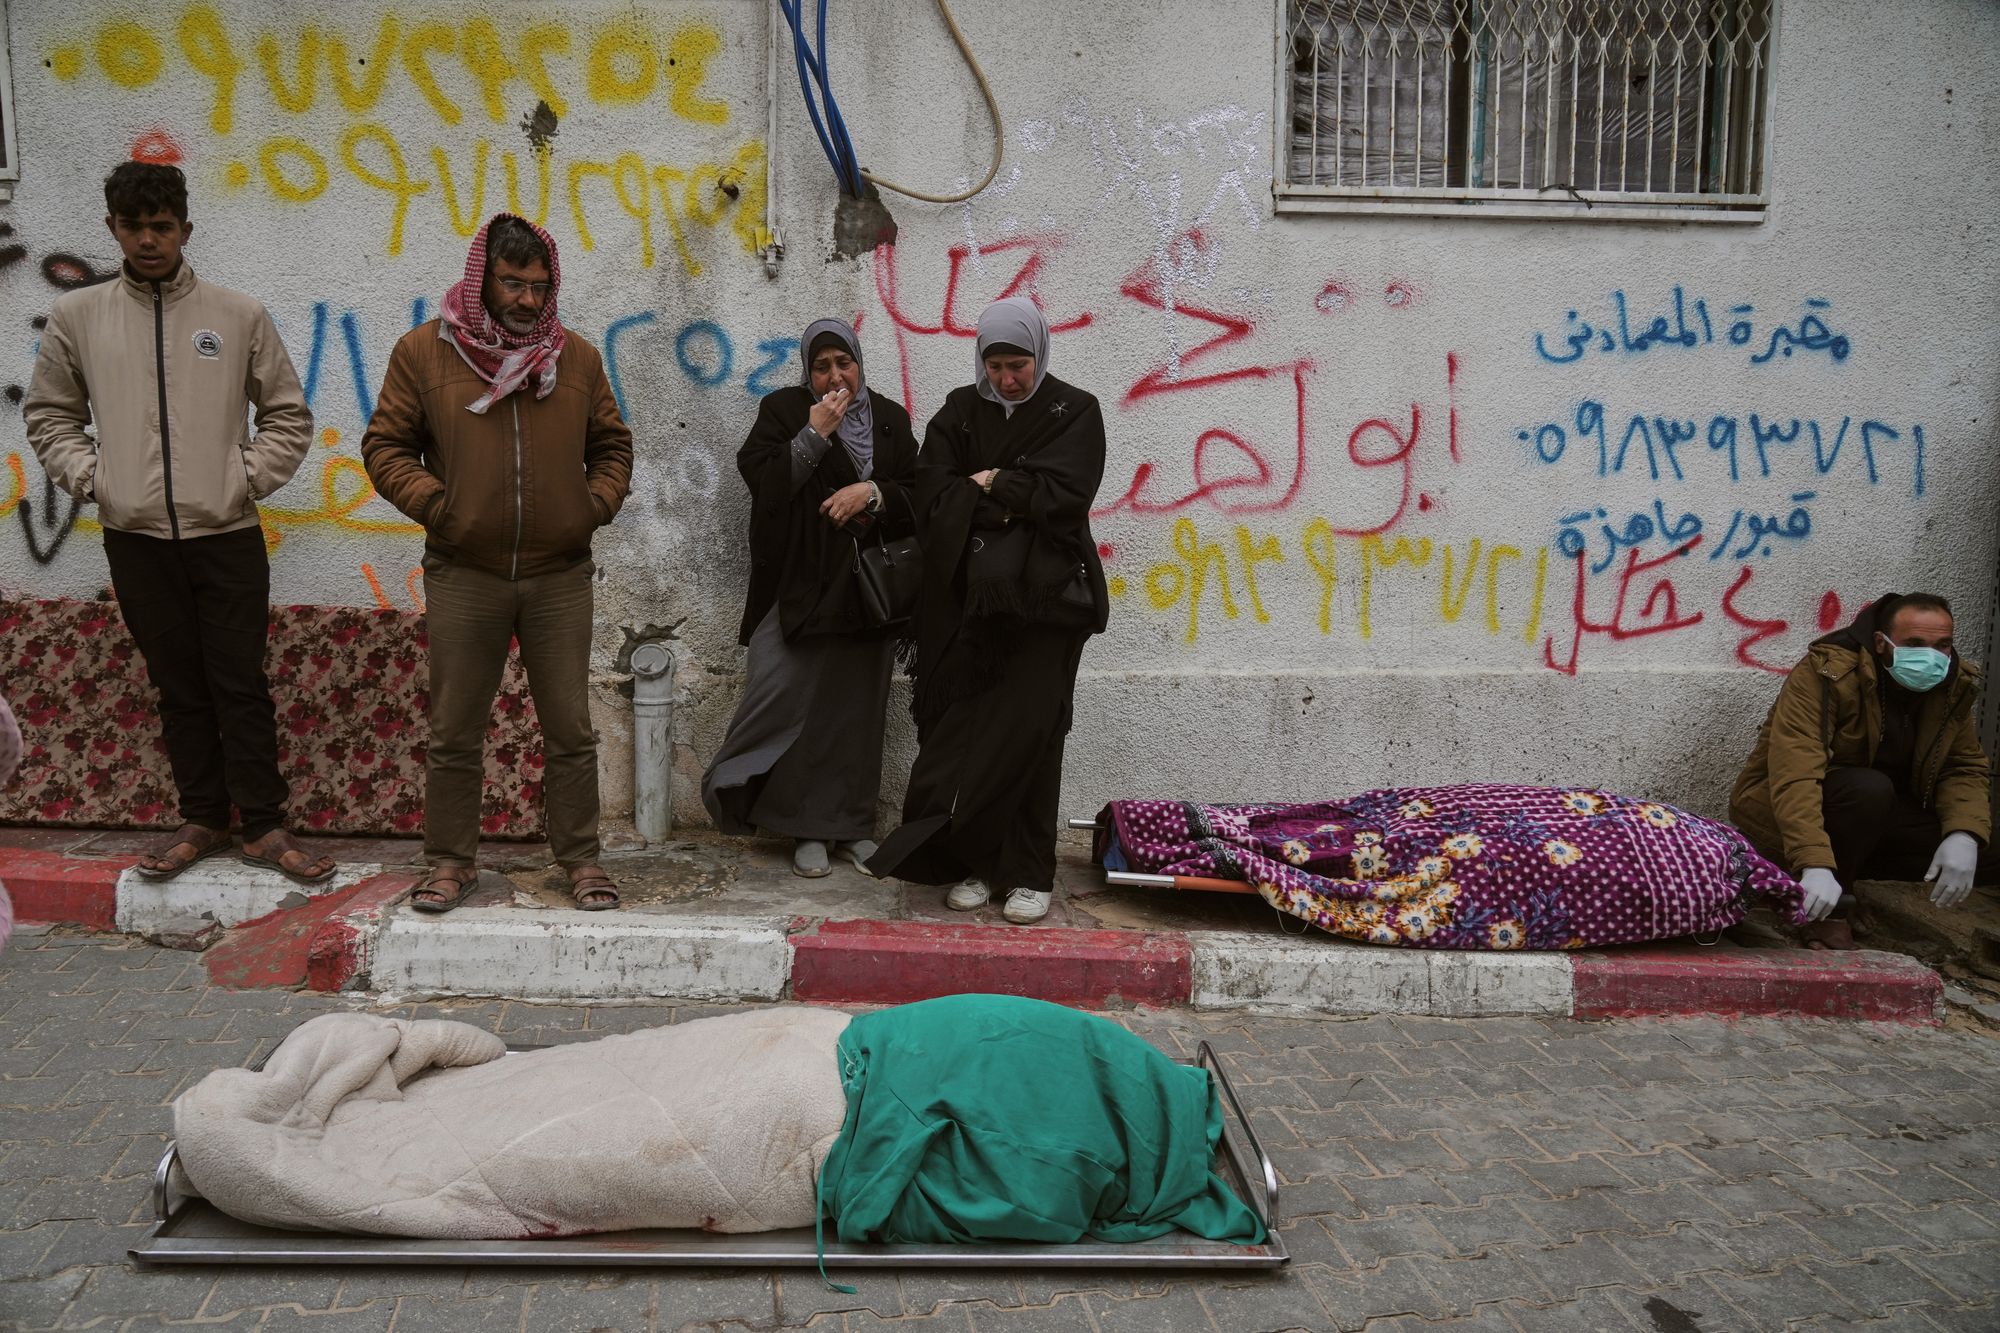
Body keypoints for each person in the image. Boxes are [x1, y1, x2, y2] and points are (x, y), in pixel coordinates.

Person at [23, 162, 329, 885]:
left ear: (186, 229)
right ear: (113, 230)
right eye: (134, 226)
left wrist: (242, 479)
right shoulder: (80, 317)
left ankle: (262, 823)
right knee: (176, 682)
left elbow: (287, 413)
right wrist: (96, 479)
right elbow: (50, 415)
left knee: (240, 680)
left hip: (227, 533)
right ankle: (202, 815)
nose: (148, 239)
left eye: (162, 226)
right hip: (135, 539)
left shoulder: (237, 315)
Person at [361, 213, 633, 913]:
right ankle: (449, 862)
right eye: (512, 283)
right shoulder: (424, 353)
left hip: (558, 574)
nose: (526, 300)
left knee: (569, 727)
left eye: (539, 287)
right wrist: (442, 508)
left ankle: (581, 860)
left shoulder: (575, 358)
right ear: (482, 277)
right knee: (456, 728)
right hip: (465, 570)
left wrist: (589, 507)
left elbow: (613, 447)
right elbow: (386, 447)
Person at [865, 297, 1109, 924]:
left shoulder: (1074, 410)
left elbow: (1066, 495)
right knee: (970, 738)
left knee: (1031, 735)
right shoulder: (959, 411)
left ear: (1039, 354)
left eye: (1018, 364)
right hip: (969, 609)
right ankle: (976, 862)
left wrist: (992, 483)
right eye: (996, 364)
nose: (1007, 378)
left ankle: (1029, 872)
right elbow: (933, 491)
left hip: (1045, 609)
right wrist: (1008, 495)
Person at [702, 320, 919, 877]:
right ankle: (803, 829)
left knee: (857, 710)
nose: (834, 375)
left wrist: (872, 492)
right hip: (803, 586)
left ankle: (849, 827)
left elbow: (922, 491)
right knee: (795, 702)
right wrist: (813, 434)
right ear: (807, 370)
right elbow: (765, 485)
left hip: (870, 590)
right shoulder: (784, 411)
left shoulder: (890, 420)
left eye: (843, 363)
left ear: (859, 364)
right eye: (821, 365)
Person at [1731, 592, 1993, 949]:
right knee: (1868, 789)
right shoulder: (1827, 673)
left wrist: (1964, 834)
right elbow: (1796, 772)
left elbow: (1961, 766)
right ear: (1881, 643)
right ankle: (1828, 907)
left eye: (1942, 645)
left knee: (1988, 844)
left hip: (1883, 817)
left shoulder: (1951, 685)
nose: (1931, 656)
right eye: (1915, 643)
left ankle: (1855, 880)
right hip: (1794, 810)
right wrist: (1814, 863)